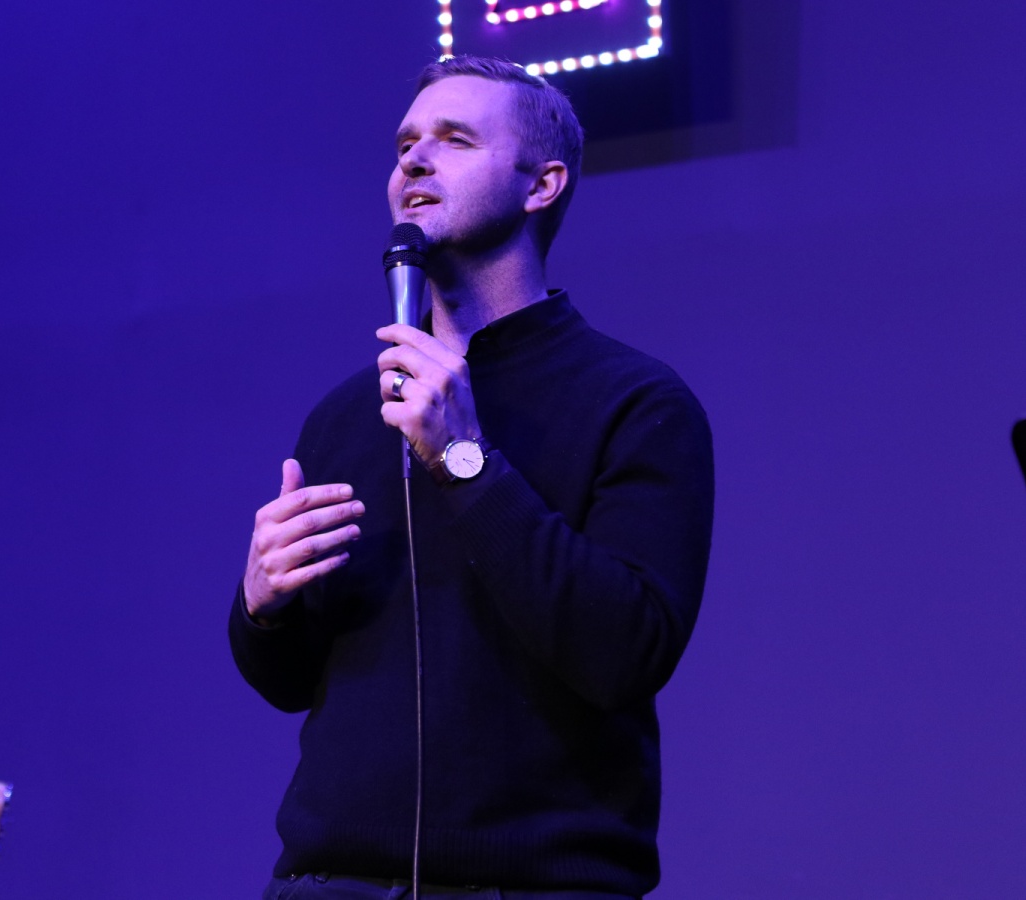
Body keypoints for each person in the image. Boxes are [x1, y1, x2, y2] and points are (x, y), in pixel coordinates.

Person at [230, 55, 714, 899]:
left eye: (454, 140)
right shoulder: (348, 416)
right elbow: (292, 683)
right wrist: (261, 605)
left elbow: (624, 652)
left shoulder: (635, 402)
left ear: (542, 185)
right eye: (405, 144)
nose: (415, 160)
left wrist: (465, 460)